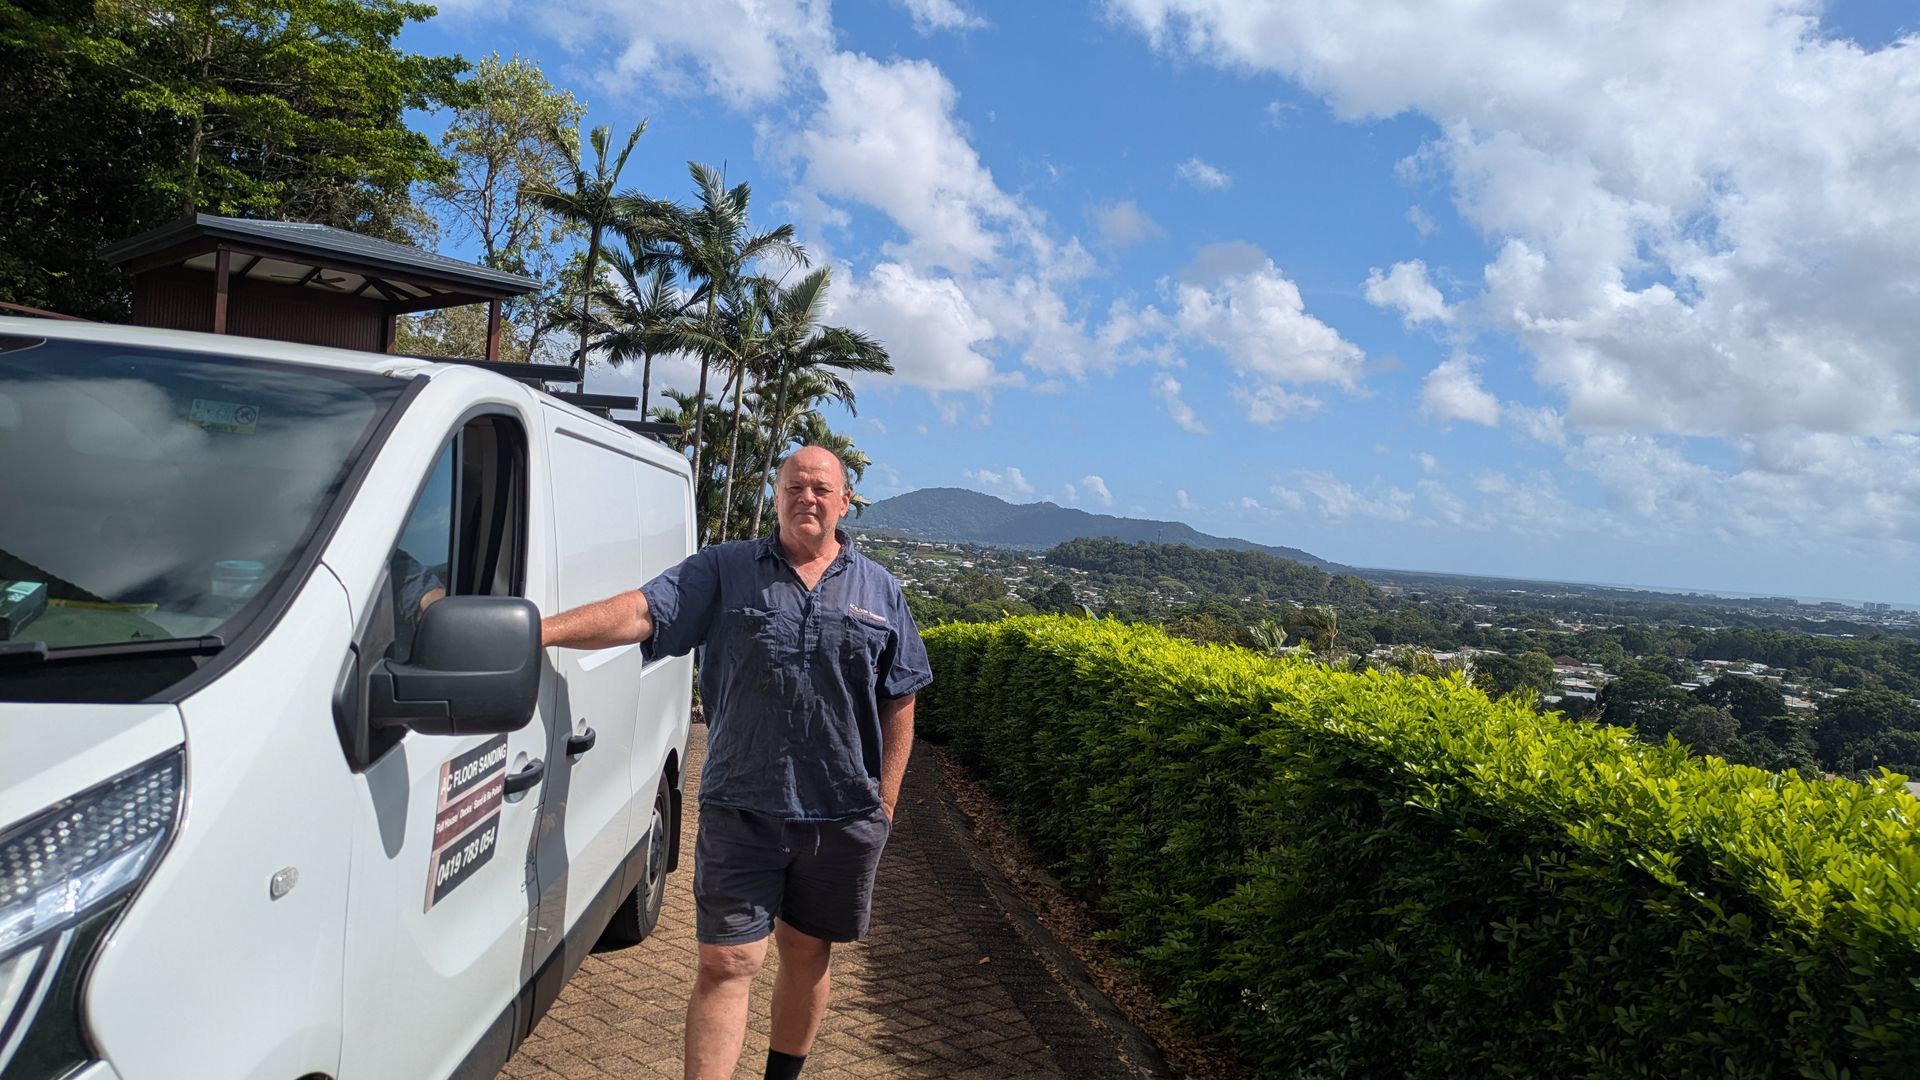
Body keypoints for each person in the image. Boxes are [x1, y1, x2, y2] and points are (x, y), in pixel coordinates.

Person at [539, 444, 932, 1080]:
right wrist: (540, 630)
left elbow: (901, 696)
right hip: (740, 807)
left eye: (822, 489)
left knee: (807, 953)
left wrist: (885, 803)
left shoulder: (880, 590)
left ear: (844, 501)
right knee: (726, 962)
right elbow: (642, 611)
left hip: (841, 815)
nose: (808, 498)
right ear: (776, 495)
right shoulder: (724, 570)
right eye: (795, 486)